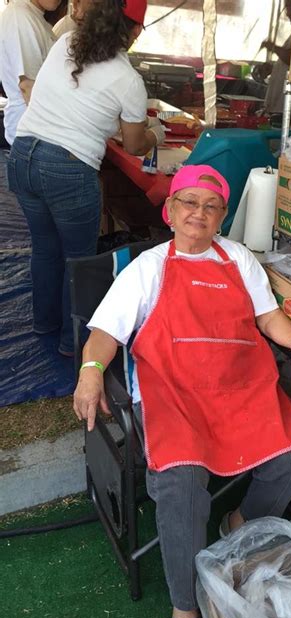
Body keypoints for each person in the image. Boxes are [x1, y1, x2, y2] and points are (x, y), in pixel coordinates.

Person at [73, 164, 291, 618]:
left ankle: (238, 522)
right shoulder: (147, 268)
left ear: (222, 217)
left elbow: (269, 317)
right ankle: (185, 609)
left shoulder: (238, 259)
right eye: (190, 203)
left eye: (212, 206)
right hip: (173, 394)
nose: (200, 213)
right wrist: (91, 372)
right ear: (170, 210)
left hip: (241, 388)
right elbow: (104, 335)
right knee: (182, 483)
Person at [7, 0, 165, 357]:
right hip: (66, 167)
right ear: (135, 31)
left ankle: (44, 325)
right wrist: (156, 133)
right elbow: (136, 143)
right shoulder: (128, 80)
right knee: (77, 258)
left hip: (22, 156)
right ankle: (71, 344)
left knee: (45, 248)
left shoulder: (66, 44)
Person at [0, 0, 59, 146]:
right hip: (32, 137)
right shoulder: (20, 17)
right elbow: (27, 87)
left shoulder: (34, 16)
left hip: (38, 134)